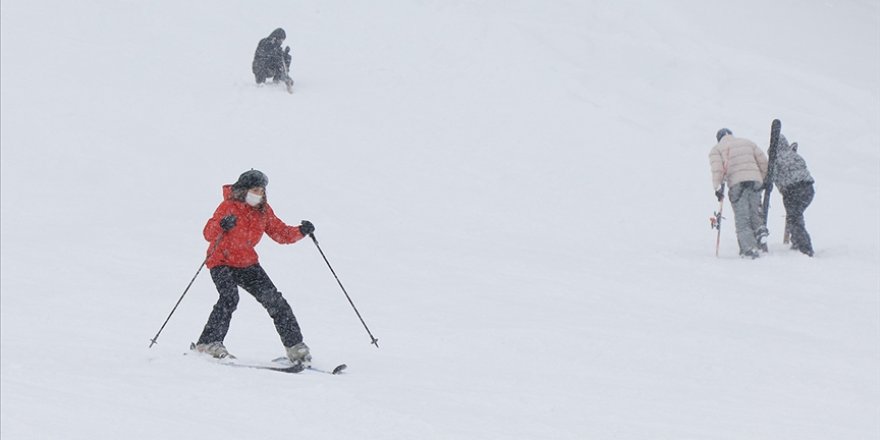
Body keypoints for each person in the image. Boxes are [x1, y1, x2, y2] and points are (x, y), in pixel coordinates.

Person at [194, 169, 316, 367]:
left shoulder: (263, 211)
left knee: (275, 301)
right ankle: (208, 343)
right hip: (221, 261)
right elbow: (208, 233)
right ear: (243, 190)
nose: (258, 194)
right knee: (229, 297)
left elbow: (280, 233)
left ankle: (296, 349)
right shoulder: (228, 206)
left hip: (247, 263)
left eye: (261, 191)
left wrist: (301, 231)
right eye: (255, 190)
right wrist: (222, 225)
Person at [709, 128, 769, 258]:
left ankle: (749, 249)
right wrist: (763, 179)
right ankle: (760, 231)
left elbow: (717, 169)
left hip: (737, 184)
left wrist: (717, 188)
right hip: (755, 181)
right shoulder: (747, 142)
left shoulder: (717, 149)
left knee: (743, 218)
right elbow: (763, 162)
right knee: (755, 211)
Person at [771, 134, 815, 256]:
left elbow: (771, 177)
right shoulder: (795, 155)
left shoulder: (776, 158)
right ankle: (797, 242)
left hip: (793, 191)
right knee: (796, 216)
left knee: (793, 218)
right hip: (808, 189)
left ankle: (805, 248)